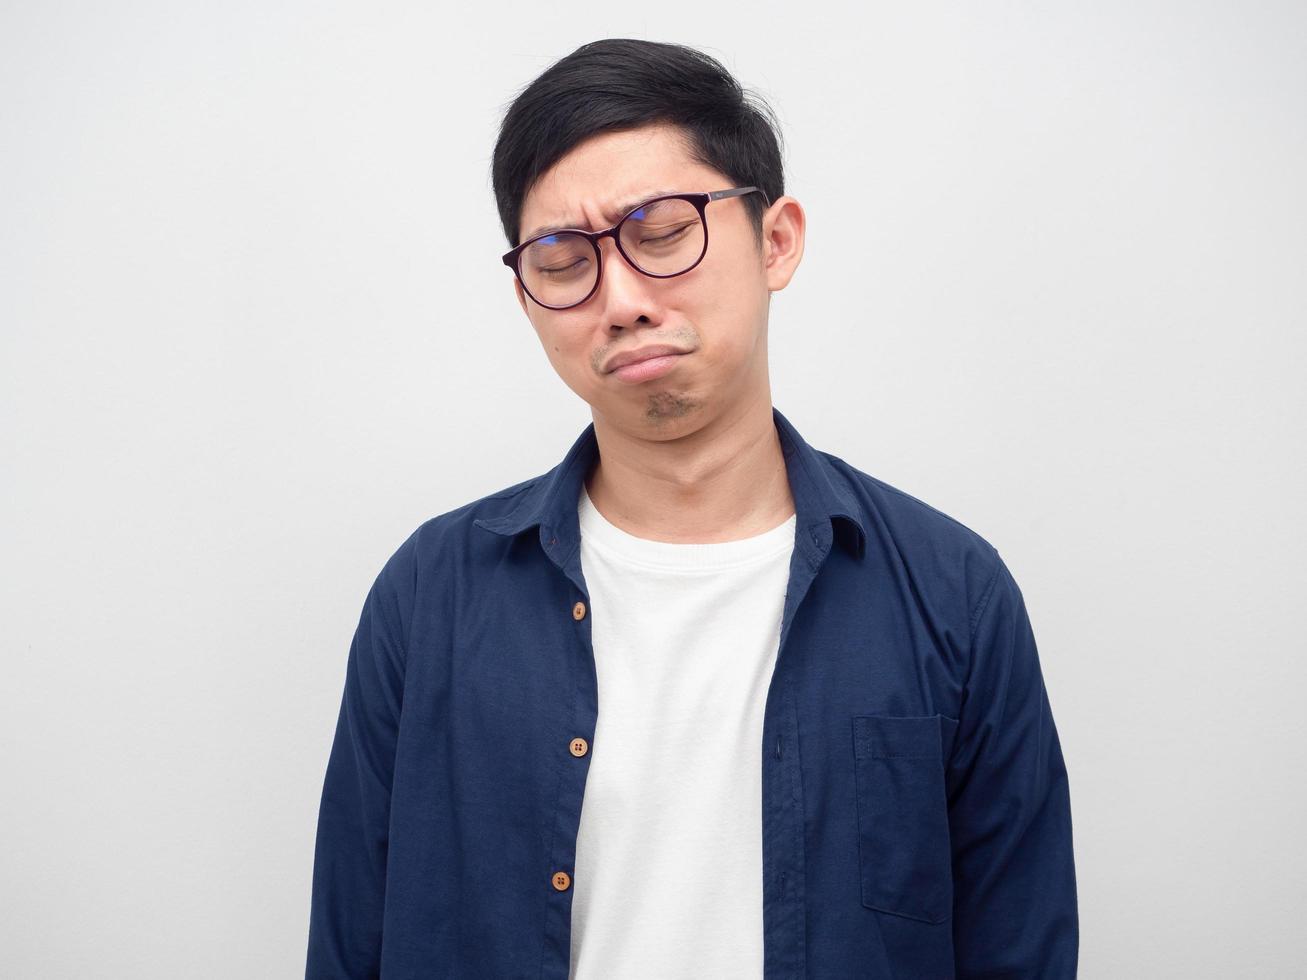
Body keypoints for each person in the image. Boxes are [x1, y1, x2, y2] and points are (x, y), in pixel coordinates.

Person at [305, 37, 1078, 980]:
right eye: (561, 258)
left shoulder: (951, 592)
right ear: (525, 295)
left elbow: (1020, 950)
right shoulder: (429, 595)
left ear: (775, 240)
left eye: (662, 232)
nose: (621, 299)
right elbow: (347, 947)